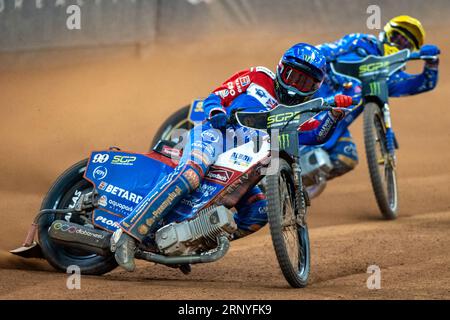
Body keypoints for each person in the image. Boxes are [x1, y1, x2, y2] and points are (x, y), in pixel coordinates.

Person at [110, 43, 354, 272]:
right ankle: (128, 234)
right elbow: (217, 96)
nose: (295, 86)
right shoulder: (259, 76)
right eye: (293, 77)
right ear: (281, 70)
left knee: (260, 211)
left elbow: (314, 135)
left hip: (243, 167)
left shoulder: (298, 113)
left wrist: (334, 115)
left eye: (305, 82)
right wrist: (216, 111)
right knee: (191, 175)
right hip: (215, 137)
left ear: (315, 88)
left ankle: (191, 244)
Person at [311, 15, 440, 178]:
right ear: (386, 34)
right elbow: (325, 51)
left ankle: (297, 192)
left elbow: (423, 83)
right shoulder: (361, 41)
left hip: (332, 125)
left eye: (406, 43)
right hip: (311, 100)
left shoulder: (391, 75)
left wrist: (432, 64)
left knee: (346, 158)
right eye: (397, 37)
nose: (399, 43)